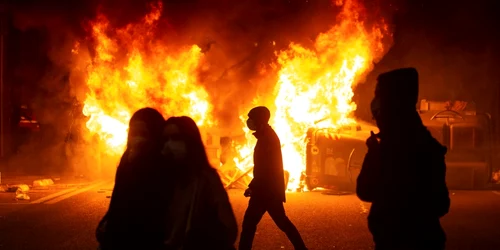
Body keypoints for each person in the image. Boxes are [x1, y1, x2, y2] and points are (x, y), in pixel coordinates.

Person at [356, 68, 450, 250]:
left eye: (379, 94)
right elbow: (441, 204)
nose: (376, 102)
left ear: (393, 102)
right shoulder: (427, 144)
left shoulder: (391, 148)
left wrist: (374, 154)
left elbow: (365, 191)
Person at [96, 107, 170, 250]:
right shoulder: (127, 159)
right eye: (134, 133)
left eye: (144, 134)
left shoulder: (164, 163)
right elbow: (118, 198)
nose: (138, 139)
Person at [162, 116, 238, 250]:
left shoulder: (206, 179)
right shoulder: (162, 180)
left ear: (189, 141)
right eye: (165, 139)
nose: (170, 144)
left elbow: (229, 228)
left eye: (176, 138)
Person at [239, 106, 307, 250]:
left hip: (265, 191)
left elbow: (264, 168)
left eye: (252, 118)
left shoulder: (267, 138)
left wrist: (253, 186)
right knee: (282, 222)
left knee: (249, 224)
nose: (249, 121)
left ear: (259, 120)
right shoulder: (266, 135)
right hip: (269, 190)